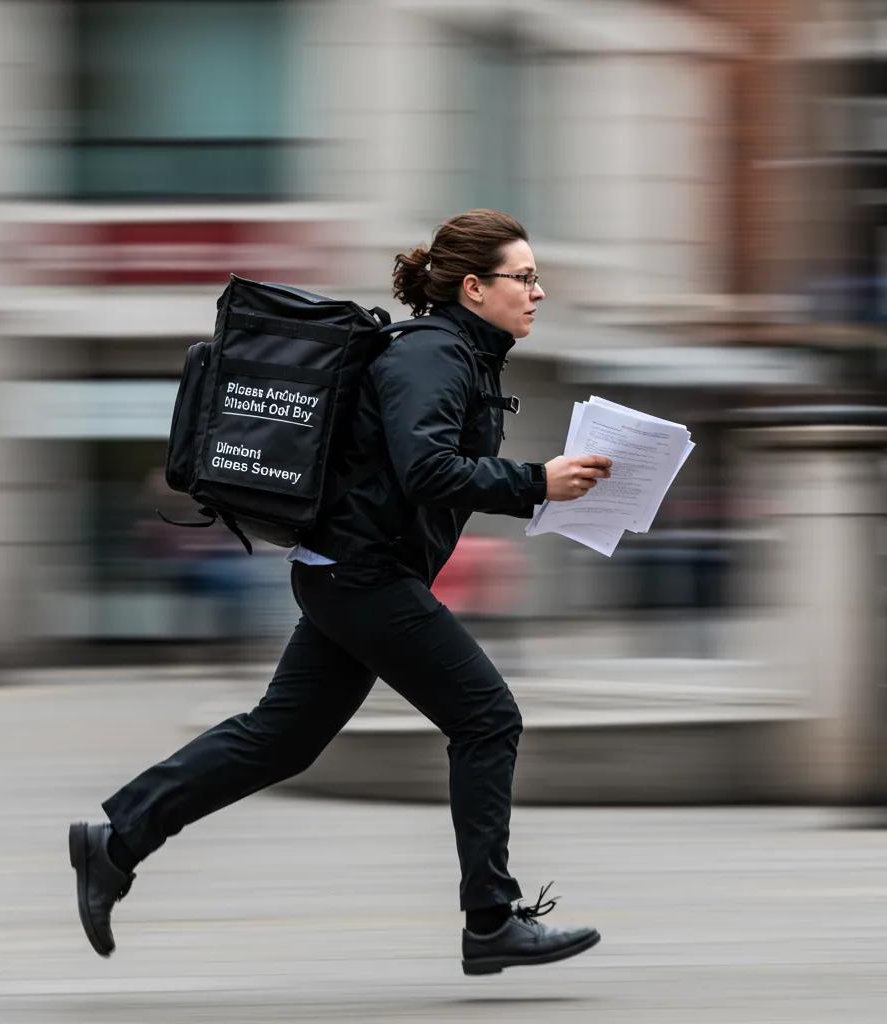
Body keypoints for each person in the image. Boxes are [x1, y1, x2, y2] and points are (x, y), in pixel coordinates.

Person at [69, 209, 613, 976]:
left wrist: (544, 486)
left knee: (281, 737)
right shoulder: (433, 356)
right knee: (488, 719)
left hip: (348, 573)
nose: (538, 291)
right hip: (364, 577)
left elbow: (420, 473)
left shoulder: (464, 358)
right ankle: (489, 920)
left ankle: (116, 841)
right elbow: (428, 470)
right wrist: (537, 483)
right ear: (472, 286)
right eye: (524, 277)